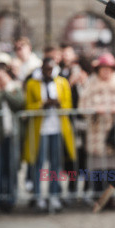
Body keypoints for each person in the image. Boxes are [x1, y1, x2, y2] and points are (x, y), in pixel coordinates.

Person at [79, 53, 115, 208]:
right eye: (103, 69)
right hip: (96, 132)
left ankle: (110, 198)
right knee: (97, 168)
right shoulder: (91, 83)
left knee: (113, 168)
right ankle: (98, 198)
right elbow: (82, 106)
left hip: (114, 132)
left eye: (108, 69)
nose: (106, 72)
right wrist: (95, 110)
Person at [23, 58, 76, 212]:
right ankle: (38, 196)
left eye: (51, 69)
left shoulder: (61, 82)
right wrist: (42, 104)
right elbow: (28, 106)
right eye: (46, 69)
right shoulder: (33, 84)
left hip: (57, 128)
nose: (49, 72)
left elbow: (68, 104)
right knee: (38, 163)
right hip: (40, 129)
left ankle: (54, 195)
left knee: (55, 163)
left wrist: (58, 103)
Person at [0, 63, 24, 212]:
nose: (0, 79)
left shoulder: (15, 88)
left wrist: (5, 91)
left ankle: (10, 198)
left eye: (3, 76)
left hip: (12, 135)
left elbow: (18, 103)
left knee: (11, 168)